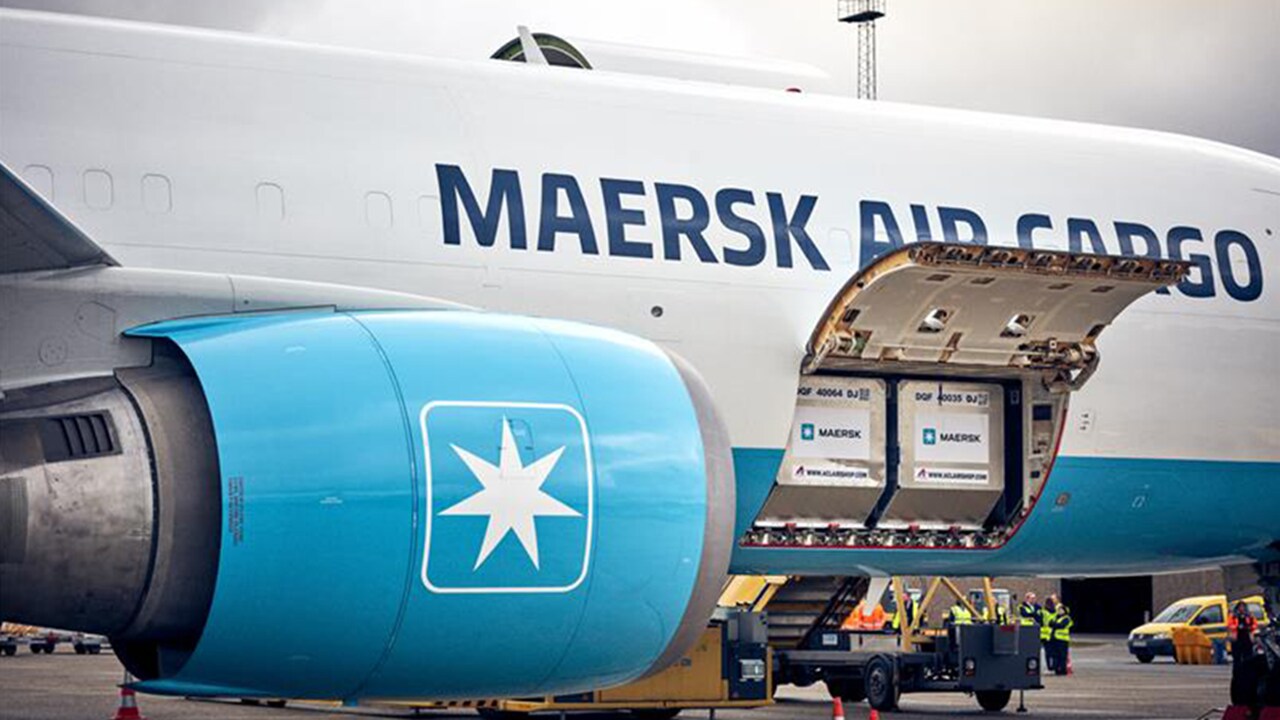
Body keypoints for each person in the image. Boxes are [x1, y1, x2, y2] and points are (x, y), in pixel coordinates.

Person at [1049, 602, 1073, 676]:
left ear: (1065, 611)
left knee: (1062, 655)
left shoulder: (1067, 618)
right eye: (1059, 610)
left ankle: (1062, 670)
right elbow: (1050, 623)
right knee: (1055, 655)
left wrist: (1054, 624)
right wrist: (1054, 624)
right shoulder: (1056, 617)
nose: (1060, 612)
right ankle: (1057, 669)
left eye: (1061, 610)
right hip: (1055, 639)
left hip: (1062, 640)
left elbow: (1061, 626)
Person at [1040, 596, 1059, 673]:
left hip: (1045, 635)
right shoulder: (1055, 612)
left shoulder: (1043, 612)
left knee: (1048, 653)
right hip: (1054, 634)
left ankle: (1049, 668)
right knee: (1054, 652)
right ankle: (1054, 667)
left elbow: (1041, 622)